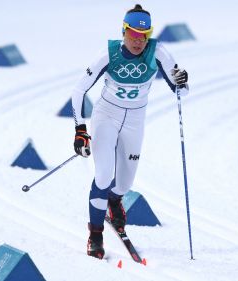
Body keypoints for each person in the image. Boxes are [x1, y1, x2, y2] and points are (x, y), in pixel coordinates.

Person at [71, 4, 189, 259]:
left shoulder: (159, 52)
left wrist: (182, 81)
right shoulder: (109, 53)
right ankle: (96, 234)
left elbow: (182, 90)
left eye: (143, 36)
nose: (138, 42)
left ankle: (114, 203)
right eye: (133, 35)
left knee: (124, 184)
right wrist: (80, 129)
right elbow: (79, 90)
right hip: (107, 117)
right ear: (124, 31)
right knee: (103, 176)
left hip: (135, 121)